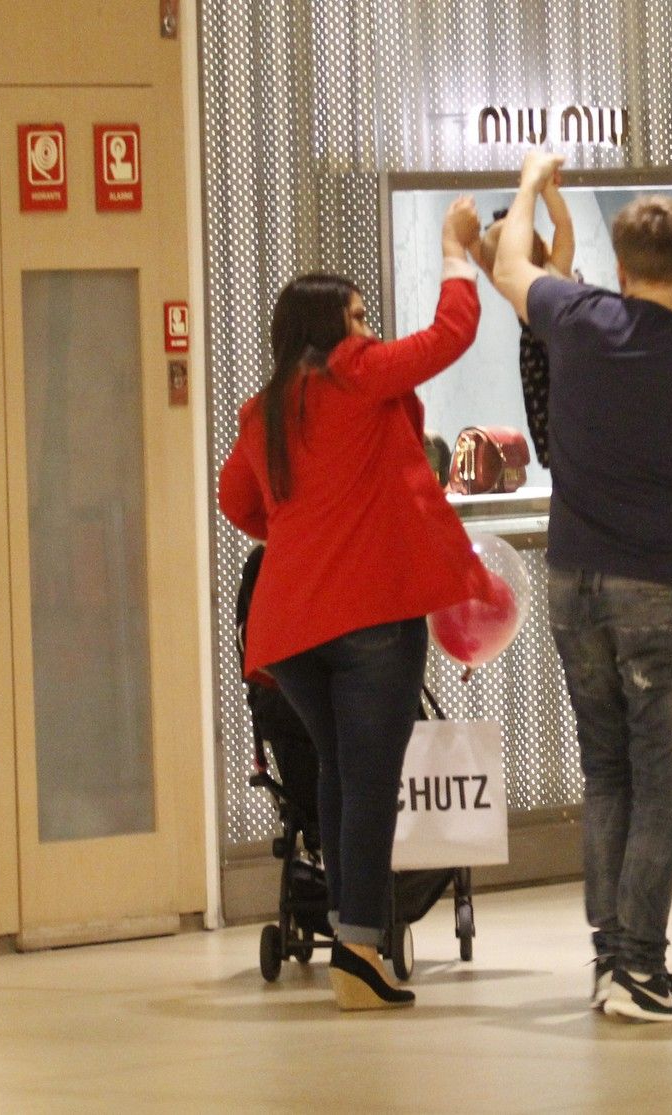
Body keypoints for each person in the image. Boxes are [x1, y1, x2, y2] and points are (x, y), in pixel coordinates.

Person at [491, 150, 672, 1022]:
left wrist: (533, 183)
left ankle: (610, 960)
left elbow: (509, 261)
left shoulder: (573, 316)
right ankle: (642, 967)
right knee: (664, 783)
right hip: (656, 589)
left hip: (569, 583)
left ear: (620, 268)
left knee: (607, 771)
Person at [218, 196, 492, 1012]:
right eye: (359, 316)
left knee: (339, 771)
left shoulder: (263, 408)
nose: (369, 330)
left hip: (286, 628)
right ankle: (361, 951)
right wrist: (454, 254)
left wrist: (302, 529)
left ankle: (348, 927)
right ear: (328, 331)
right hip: (369, 615)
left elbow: (239, 502)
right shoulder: (358, 374)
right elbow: (451, 337)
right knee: (370, 779)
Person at [473, 179, 575, 469]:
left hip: (545, 381)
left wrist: (468, 242)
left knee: (561, 450)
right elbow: (563, 224)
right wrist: (547, 187)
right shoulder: (555, 275)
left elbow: (489, 267)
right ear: (542, 244)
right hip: (564, 373)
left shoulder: (529, 293)